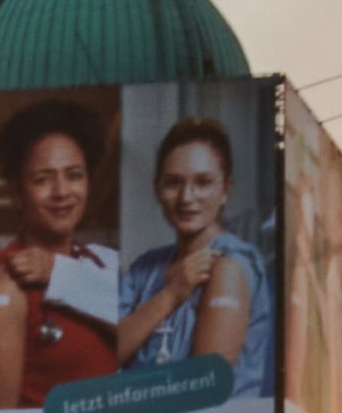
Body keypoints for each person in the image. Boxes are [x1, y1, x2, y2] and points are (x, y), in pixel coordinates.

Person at [0, 103, 126, 408]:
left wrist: (61, 275)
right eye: (42, 179)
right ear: (17, 190)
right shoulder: (5, 283)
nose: (62, 191)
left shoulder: (102, 263)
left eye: (75, 175)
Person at [109, 115, 269, 383]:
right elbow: (106, 357)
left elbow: (203, 387)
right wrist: (171, 295)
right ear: (157, 189)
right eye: (173, 183)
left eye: (203, 182)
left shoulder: (229, 266)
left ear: (225, 190)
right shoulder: (145, 268)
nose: (186, 197)